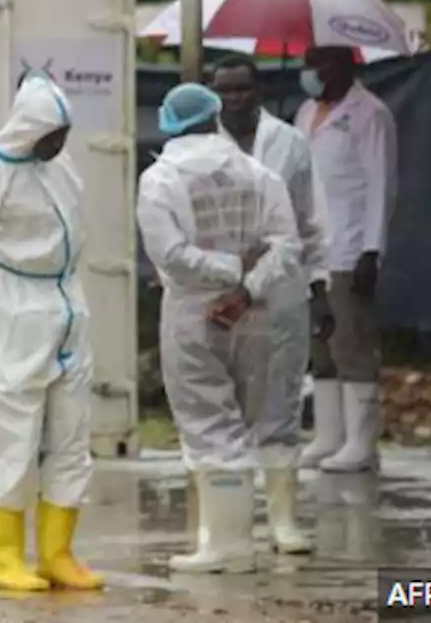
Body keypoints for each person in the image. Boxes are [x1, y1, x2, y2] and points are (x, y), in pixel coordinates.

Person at [137, 83, 303, 573]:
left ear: (171, 124)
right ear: (215, 119)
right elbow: (287, 246)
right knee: (252, 421)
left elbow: (169, 255)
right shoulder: (260, 174)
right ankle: (241, 535)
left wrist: (226, 271)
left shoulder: (161, 180)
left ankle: (227, 546)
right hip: (256, 312)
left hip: (193, 314)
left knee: (210, 425)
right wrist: (246, 285)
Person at [0, 72, 103, 593]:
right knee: (11, 428)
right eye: (54, 133)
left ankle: (58, 553)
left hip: (67, 304)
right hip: (13, 306)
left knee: (71, 430)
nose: (62, 143)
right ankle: (7, 557)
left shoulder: (60, 167)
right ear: (30, 128)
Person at [210, 53, 333, 554]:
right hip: (220, 291)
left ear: (259, 90)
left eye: (243, 88)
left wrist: (321, 287)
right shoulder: (196, 145)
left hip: (281, 291)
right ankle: (229, 525)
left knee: (280, 404)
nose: (235, 98)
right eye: (226, 89)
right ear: (214, 93)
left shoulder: (290, 142)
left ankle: (283, 520)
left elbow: (312, 219)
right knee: (224, 409)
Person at [294, 46, 397, 473]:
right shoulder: (303, 111)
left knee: (350, 343)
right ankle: (329, 435)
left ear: (347, 66)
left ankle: (362, 442)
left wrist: (372, 250)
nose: (312, 73)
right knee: (320, 345)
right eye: (307, 63)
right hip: (312, 249)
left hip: (350, 248)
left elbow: (381, 185)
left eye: (321, 64)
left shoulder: (370, 114)